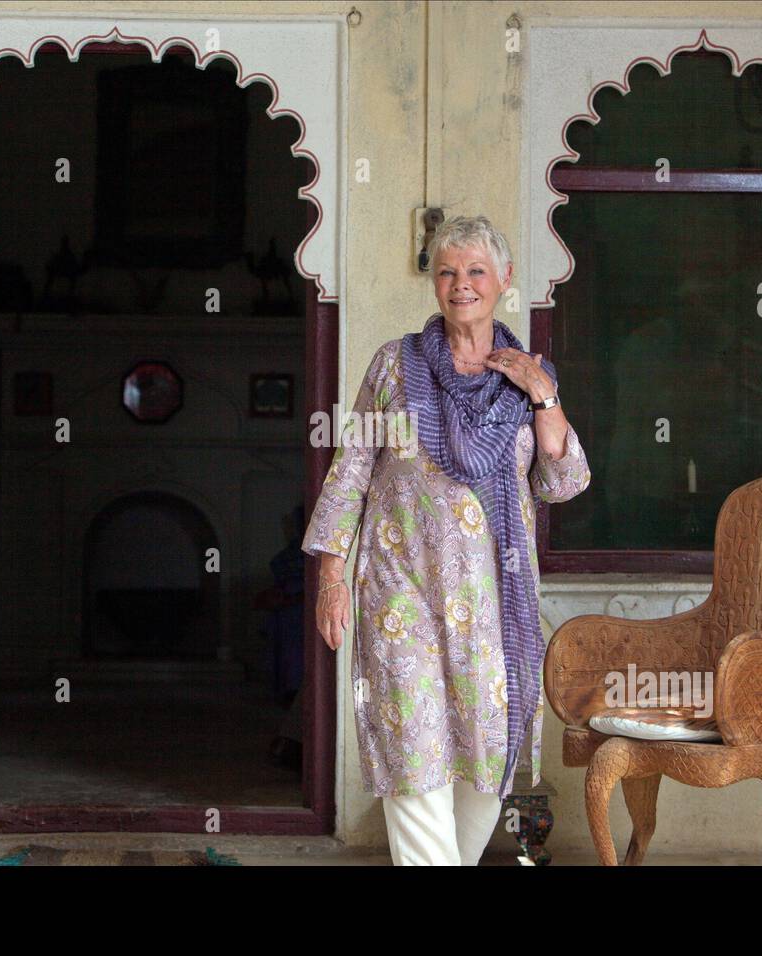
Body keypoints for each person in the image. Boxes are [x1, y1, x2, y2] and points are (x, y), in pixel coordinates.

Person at [301, 215, 591, 865]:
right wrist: (330, 577)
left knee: (486, 761)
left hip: (491, 598)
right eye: (448, 272)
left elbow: (563, 480)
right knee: (414, 745)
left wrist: (545, 397)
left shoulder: (526, 378)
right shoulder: (394, 366)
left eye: (477, 271)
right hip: (398, 588)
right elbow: (350, 473)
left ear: (505, 282)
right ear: (434, 283)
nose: (462, 285)